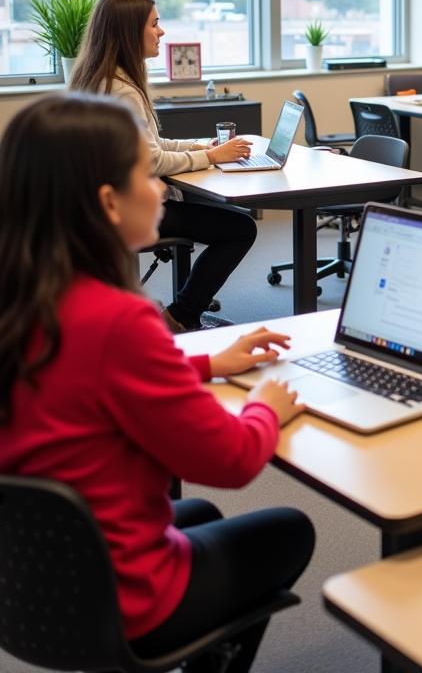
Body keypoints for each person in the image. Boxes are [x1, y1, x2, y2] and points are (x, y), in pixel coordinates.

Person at [0, 94, 314, 672]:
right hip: (123, 602)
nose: (158, 192)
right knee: (287, 528)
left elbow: (91, 381)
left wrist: (205, 365)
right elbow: (231, 461)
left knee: (199, 518)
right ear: (108, 203)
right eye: (144, 176)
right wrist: (267, 407)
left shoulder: (27, 301)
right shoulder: (118, 319)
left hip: (25, 587)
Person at [71, 0, 257, 331]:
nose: (162, 32)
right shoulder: (122, 90)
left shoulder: (101, 78)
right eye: (154, 24)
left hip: (103, 205)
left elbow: (150, 144)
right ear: (130, 32)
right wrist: (210, 156)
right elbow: (152, 161)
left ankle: (182, 310)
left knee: (224, 218)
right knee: (240, 227)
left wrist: (199, 147)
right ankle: (182, 315)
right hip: (128, 208)